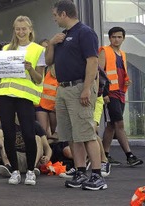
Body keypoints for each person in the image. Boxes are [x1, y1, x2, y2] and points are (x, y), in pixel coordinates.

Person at [45, 0, 106, 190]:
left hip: (80, 87)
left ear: (64, 14)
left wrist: (87, 88)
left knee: (86, 133)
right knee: (71, 134)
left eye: (55, 15)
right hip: (63, 89)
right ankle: (80, 171)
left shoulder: (85, 32)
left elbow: (92, 62)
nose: (54, 19)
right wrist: (51, 44)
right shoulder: (62, 36)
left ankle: (97, 174)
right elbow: (48, 61)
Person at [0, 16, 45, 186]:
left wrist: (30, 68)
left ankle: (30, 170)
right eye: (18, 29)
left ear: (30, 29)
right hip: (4, 95)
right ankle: (15, 171)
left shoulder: (38, 50)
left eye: (24, 28)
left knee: (29, 133)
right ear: (14, 30)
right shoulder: (6, 49)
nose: (21, 32)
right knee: (8, 134)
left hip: (25, 97)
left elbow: (39, 79)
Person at [100, 27, 143, 167]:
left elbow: (120, 72)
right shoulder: (104, 51)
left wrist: (126, 81)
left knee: (111, 125)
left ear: (123, 38)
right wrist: (103, 93)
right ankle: (129, 155)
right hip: (110, 93)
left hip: (120, 92)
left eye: (119, 37)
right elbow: (99, 72)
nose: (116, 39)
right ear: (110, 38)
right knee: (119, 124)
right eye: (113, 37)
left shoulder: (123, 54)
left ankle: (104, 155)